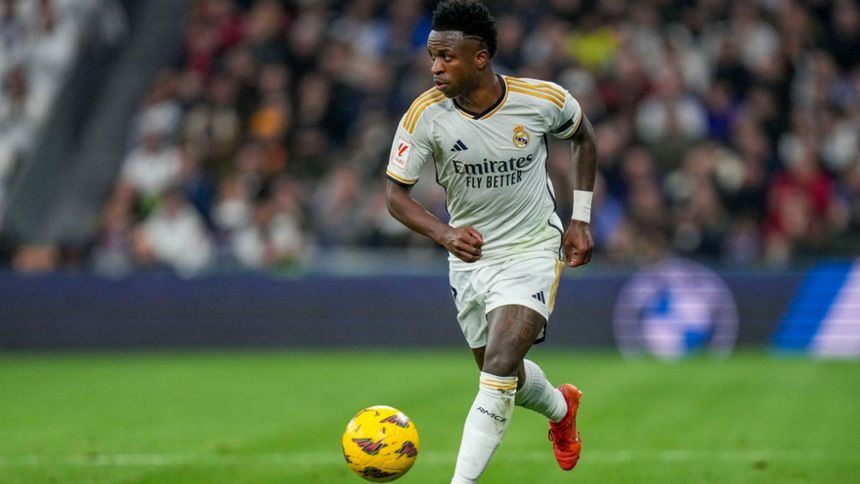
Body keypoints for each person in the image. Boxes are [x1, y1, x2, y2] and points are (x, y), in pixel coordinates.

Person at [383, 1, 597, 482]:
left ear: (480, 57)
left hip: (531, 248)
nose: (435, 67)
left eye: (447, 57)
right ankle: (561, 408)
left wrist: (580, 219)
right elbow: (395, 195)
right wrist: (444, 233)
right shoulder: (424, 115)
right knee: (505, 378)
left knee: (499, 365)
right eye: (432, 56)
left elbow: (583, 137)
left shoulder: (540, 99)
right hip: (470, 259)